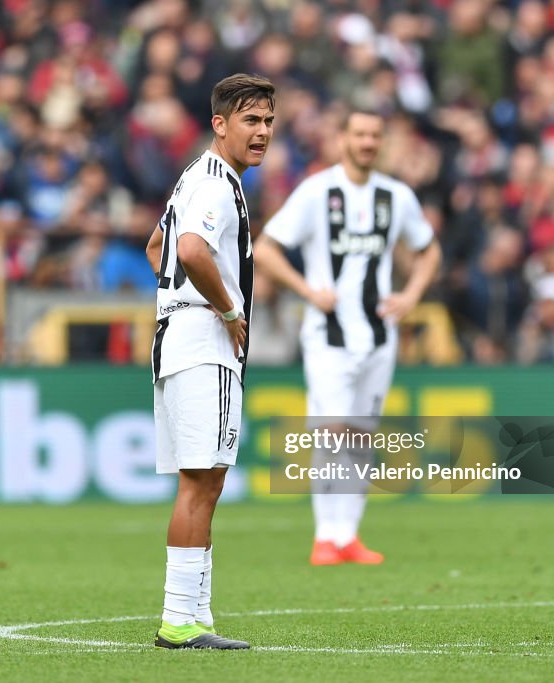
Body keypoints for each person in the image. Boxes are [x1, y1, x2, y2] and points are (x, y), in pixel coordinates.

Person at [254, 109, 441, 566]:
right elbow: (265, 248)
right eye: (359, 134)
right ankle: (325, 536)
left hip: (379, 335)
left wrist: (411, 294)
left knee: (360, 434)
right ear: (341, 139)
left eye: (375, 135)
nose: (367, 143)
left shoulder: (396, 196)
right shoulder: (318, 191)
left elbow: (428, 248)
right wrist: (307, 291)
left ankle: (348, 535)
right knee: (332, 431)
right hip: (329, 336)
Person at [145, 73, 274, 649]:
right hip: (203, 342)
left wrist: (175, 297)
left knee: (207, 481)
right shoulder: (218, 182)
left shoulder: (194, 179)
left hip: (178, 336)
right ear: (220, 123)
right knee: (201, 484)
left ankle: (197, 617)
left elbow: (158, 248)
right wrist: (225, 309)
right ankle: (179, 620)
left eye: (268, 121)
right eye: (251, 121)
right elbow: (191, 250)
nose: (263, 132)